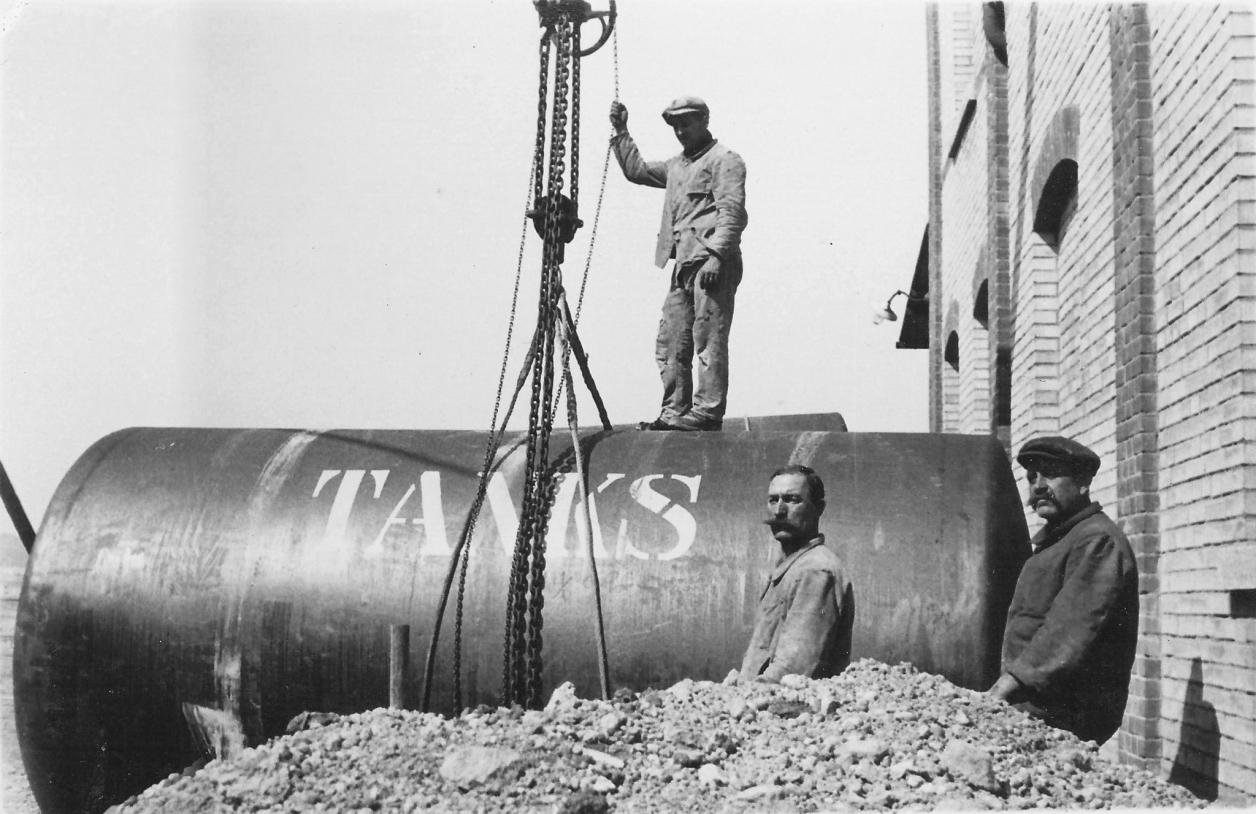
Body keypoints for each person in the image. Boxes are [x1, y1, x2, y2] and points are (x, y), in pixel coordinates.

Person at [608, 96, 748, 432]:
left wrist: (716, 256)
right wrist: (621, 131)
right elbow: (636, 171)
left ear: (704, 120)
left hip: (712, 262)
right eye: (675, 126)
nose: (681, 131)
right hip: (683, 266)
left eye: (687, 123)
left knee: (708, 338)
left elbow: (732, 213)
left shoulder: (725, 160)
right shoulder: (676, 167)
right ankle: (674, 411)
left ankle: (706, 412)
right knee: (671, 341)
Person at [988, 436, 1139, 744]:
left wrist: (1008, 685)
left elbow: (1069, 629)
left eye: (1050, 473)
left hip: (1067, 711)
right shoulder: (1062, 539)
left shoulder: (1096, 540)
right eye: (1032, 477)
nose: (1038, 485)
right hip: (1041, 702)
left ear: (1083, 482)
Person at [740, 465, 854, 683]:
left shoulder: (814, 572)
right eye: (773, 500)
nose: (779, 510)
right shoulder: (793, 567)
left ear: (818, 508)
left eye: (792, 500)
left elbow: (793, 669)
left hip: (783, 711)